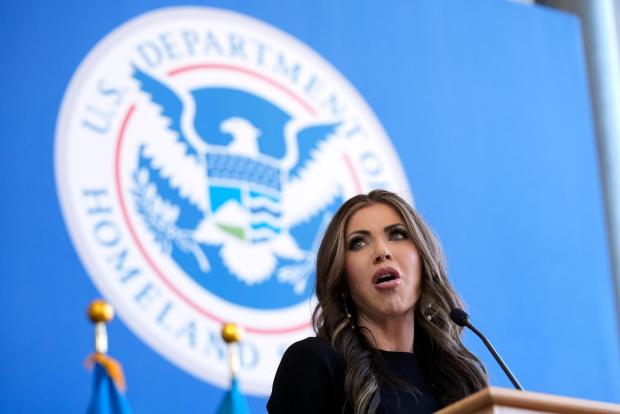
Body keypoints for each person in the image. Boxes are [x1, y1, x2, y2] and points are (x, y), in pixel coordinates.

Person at [267, 190, 488, 414]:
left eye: (397, 235)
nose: (381, 252)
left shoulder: (461, 378)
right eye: (358, 243)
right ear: (341, 277)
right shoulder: (313, 363)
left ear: (424, 261)